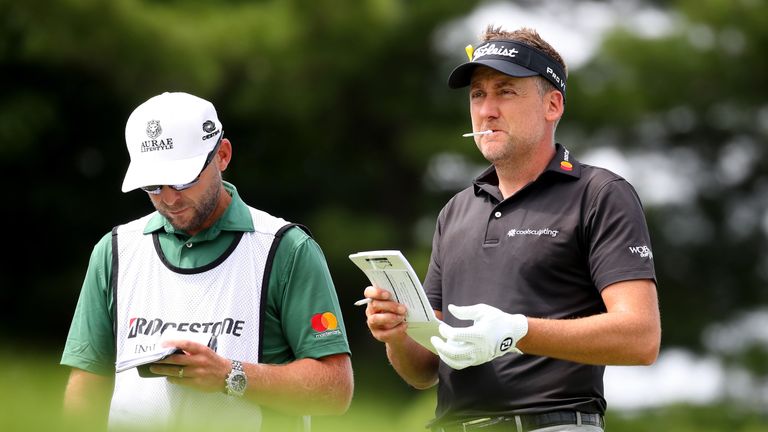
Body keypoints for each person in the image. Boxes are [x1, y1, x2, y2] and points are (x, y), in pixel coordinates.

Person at [363, 26, 661, 432]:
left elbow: (640, 338)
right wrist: (397, 335)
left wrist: (517, 331)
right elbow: (425, 371)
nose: (487, 109)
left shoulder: (600, 194)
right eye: (477, 95)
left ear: (552, 104)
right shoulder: (456, 211)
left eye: (505, 91)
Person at [61, 91, 353, 431]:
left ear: (223, 155)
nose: (169, 198)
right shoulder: (115, 250)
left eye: (183, 178)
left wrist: (231, 375)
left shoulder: (286, 249)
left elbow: (335, 390)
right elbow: (86, 388)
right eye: (153, 184)